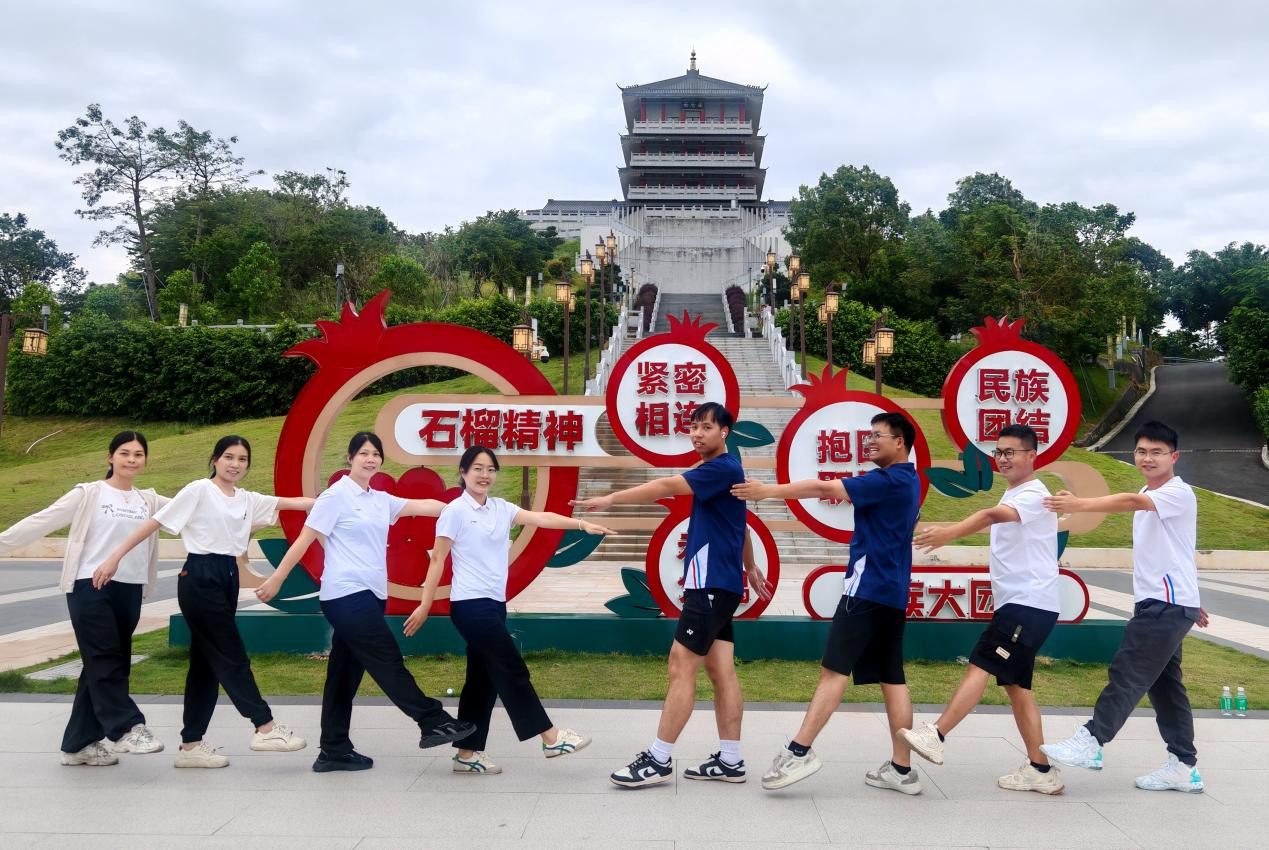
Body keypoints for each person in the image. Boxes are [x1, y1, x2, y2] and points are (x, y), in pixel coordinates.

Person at [573, 402, 773, 788]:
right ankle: (731, 760)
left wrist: (611, 500)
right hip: (720, 583)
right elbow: (742, 524)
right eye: (693, 427)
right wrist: (749, 566)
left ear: (725, 432)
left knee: (681, 666)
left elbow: (665, 486)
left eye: (706, 427)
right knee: (720, 670)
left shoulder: (720, 468)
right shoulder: (724, 471)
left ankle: (658, 759)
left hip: (710, 585)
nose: (697, 434)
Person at [258, 432, 477, 772]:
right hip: (344, 595)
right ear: (350, 458)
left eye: (376, 454)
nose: (371, 459)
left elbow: (424, 507)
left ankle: (333, 749)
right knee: (386, 657)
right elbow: (305, 540)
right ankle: (431, 719)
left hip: (372, 597)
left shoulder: (380, 499)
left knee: (343, 676)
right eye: (363, 453)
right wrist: (276, 579)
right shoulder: (335, 497)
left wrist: (466, 504)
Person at [735, 412, 923, 794]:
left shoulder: (886, 479)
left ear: (899, 442)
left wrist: (767, 492)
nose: (869, 442)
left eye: (877, 436)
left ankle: (799, 751)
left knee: (833, 671)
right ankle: (902, 771)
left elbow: (826, 488)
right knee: (892, 677)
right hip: (892, 593)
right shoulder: (910, 480)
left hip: (866, 591)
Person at [98, 435, 312, 768]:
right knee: (230, 651)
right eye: (228, 457)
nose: (235, 464)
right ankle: (264, 725)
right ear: (214, 459)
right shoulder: (199, 490)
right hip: (200, 577)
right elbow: (153, 523)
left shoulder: (246, 499)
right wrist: (114, 557)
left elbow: (295, 502)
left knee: (206, 666)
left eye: (242, 459)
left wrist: (333, 500)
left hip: (227, 577)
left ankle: (191, 746)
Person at [403, 445, 615, 774]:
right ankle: (550, 736)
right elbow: (437, 559)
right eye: (477, 468)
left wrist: (580, 524)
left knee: (482, 680)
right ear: (462, 472)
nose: (484, 475)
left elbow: (541, 518)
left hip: (493, 605)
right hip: (469, 606)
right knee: (511, 667)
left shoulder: (500, 508)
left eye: (490, 469)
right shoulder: (454, 511)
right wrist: (425, 605)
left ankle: (467, 753)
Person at [1041, 421, 1208, 793]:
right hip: (1171, 601)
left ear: (1174, 457)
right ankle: (1183, 765)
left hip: (1165, 604)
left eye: (1157, 452)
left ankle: (1092, 742)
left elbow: (1131, 502)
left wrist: (1080, 503)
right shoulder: (1152, 493)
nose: (1147, 458)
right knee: (1165, 686)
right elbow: (1179, 549)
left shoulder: (1176, 494)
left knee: (1129, 670)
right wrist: (1192, 601)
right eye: (1141, 451)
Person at [904, 424, 1064, 794]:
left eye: (1012, 452)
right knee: (1016, 686)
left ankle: (937, 735)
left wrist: (949, 532)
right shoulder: (1018, 493)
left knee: (982, 661)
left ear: (1031, 455)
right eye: (999, 452)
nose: (1003, 459)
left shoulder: (1033, 494)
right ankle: (1041, 770)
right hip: (1026, 605)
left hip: (1028, 605)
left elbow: (990, 516)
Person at [0, 432, 168, 766]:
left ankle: (78, 743)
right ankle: (126, 727)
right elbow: (42, 520)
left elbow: (195, 511)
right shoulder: (89, 493)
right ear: (110, 457)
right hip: (89, 583)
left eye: (138, 454)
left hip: (130, 587)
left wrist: (265, 509)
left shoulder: (148, 501)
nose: (131, 459)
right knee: (104, 654)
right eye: (124, 453)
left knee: (105, 660)